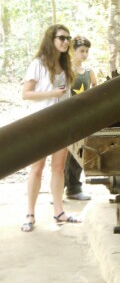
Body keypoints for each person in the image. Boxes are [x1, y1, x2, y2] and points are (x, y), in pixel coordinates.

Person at [21, 24, 80, 231]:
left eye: (68, 38)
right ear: (51, 39)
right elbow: (26, 94)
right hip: (41, 123)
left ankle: (59, 212)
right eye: (61, 38)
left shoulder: (66, 65)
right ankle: (30, 214)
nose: (65, 42)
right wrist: (52, 93)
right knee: (37, 168)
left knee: (58, 168)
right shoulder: (38, 64)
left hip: (62, 123)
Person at [64, 35, 97, 200]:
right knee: (63, 155)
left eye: (86, 51)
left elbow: (96, 88)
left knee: (78, 153)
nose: (84, 54)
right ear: (73, 51)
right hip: (68, 117)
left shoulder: (89, 71)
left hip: (84, 117)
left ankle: (74, 188)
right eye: (81, 51)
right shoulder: (66, 71)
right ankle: (59, 189)